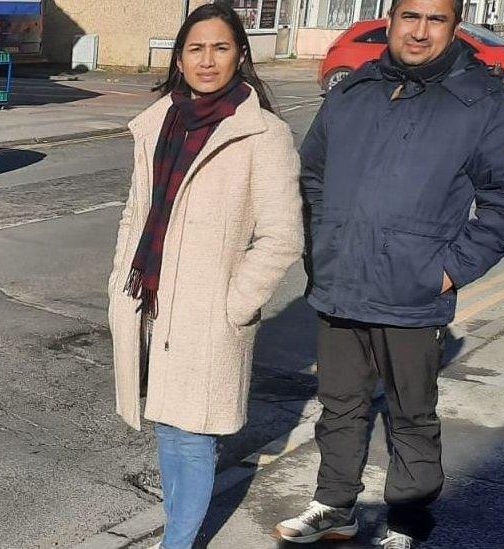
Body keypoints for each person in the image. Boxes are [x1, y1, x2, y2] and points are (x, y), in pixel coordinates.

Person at [274, 0, 504, 546]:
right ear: (390, 21)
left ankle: (407, 521)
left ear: (453, 26)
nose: (420, 32)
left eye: (435, 19)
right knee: (340, 406)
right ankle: (335, 505)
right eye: (410, 17)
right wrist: (323, 248)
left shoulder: (481, 98)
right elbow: (313, 177)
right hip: (340, 283)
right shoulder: (353, 91)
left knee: (411, 413)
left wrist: (449, 270)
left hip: (413, 292)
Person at [107, 3, 303, 548]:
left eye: (220, 48)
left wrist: (233, 304)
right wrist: (122, 274)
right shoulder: (158, 122)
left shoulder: (263, 134)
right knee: (167, 426)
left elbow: (282, 236)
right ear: (179, 56)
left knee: (191, 436)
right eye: (196, 48)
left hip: (208, 308)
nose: (208, 60)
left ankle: (178, 543)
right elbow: (137, 209)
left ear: (240, 54)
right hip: (150, 296)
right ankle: (180, 531)